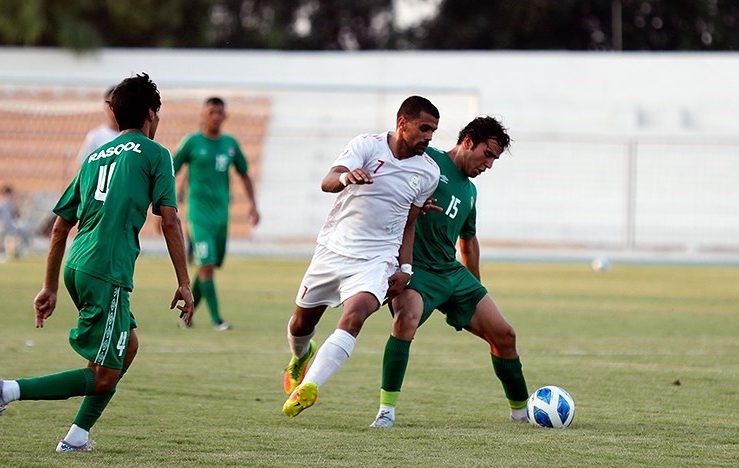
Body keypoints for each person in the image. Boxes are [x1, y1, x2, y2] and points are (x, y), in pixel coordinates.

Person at [0, 73, 194, 451]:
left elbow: (60, 226)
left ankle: (76, 438)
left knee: (128, 348)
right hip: (105, 269)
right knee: (105, 375)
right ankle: (4, 391)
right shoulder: (156, 154)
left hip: (78, 264)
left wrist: (50, 286)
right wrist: (184, 282)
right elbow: (169, 219)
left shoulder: (94, 157)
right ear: (151, 115)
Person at [281, 95, 441, 418]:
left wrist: (405, 267)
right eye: (424, 128)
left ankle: (308, 388)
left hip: (376, 260)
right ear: (402, 123)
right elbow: (328, 180)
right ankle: (301, 356)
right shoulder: (367, 146)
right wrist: (345, 177)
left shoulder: (428, 173)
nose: (428, 137)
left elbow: (409, 223)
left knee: (354, 317)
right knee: (301, 325)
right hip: (333, 250)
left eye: (433, 131)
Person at [369, 116, 530, 428]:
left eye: (495, 159)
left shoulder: (470, 192)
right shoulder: (428, 161)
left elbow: (468, 242)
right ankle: (386, 412)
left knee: (505, 335)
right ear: (468, 141)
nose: (489, 165)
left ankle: (522, 413)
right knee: (406, 320)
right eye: (487, 154)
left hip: (452, 273)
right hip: (416, 272)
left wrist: (476, 290)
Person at [172, 96, 260, 331]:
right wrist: (163, 204)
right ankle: (217, 319)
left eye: (219, 112)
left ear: (225, 116)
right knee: (207, 263)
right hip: (198, 216)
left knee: (207, 267)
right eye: (211, 112)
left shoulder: (230, 144)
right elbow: (171, 169)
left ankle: (186, 317)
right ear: (202, 114)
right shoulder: (191, 142)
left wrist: (253, 204)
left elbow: (244, 173)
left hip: (221, 217)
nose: (215, 116)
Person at [0, 183, 29, 261]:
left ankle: (15, 254)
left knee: (21, 233)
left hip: (10, 227)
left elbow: (18, 215)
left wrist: (16, 204)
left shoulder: (11, 204)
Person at [76, 85, 120, 164]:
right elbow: (83, 167)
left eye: (116, 103)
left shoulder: (134, 136)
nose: (113, 108)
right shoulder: (95, 136)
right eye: (109, 104)